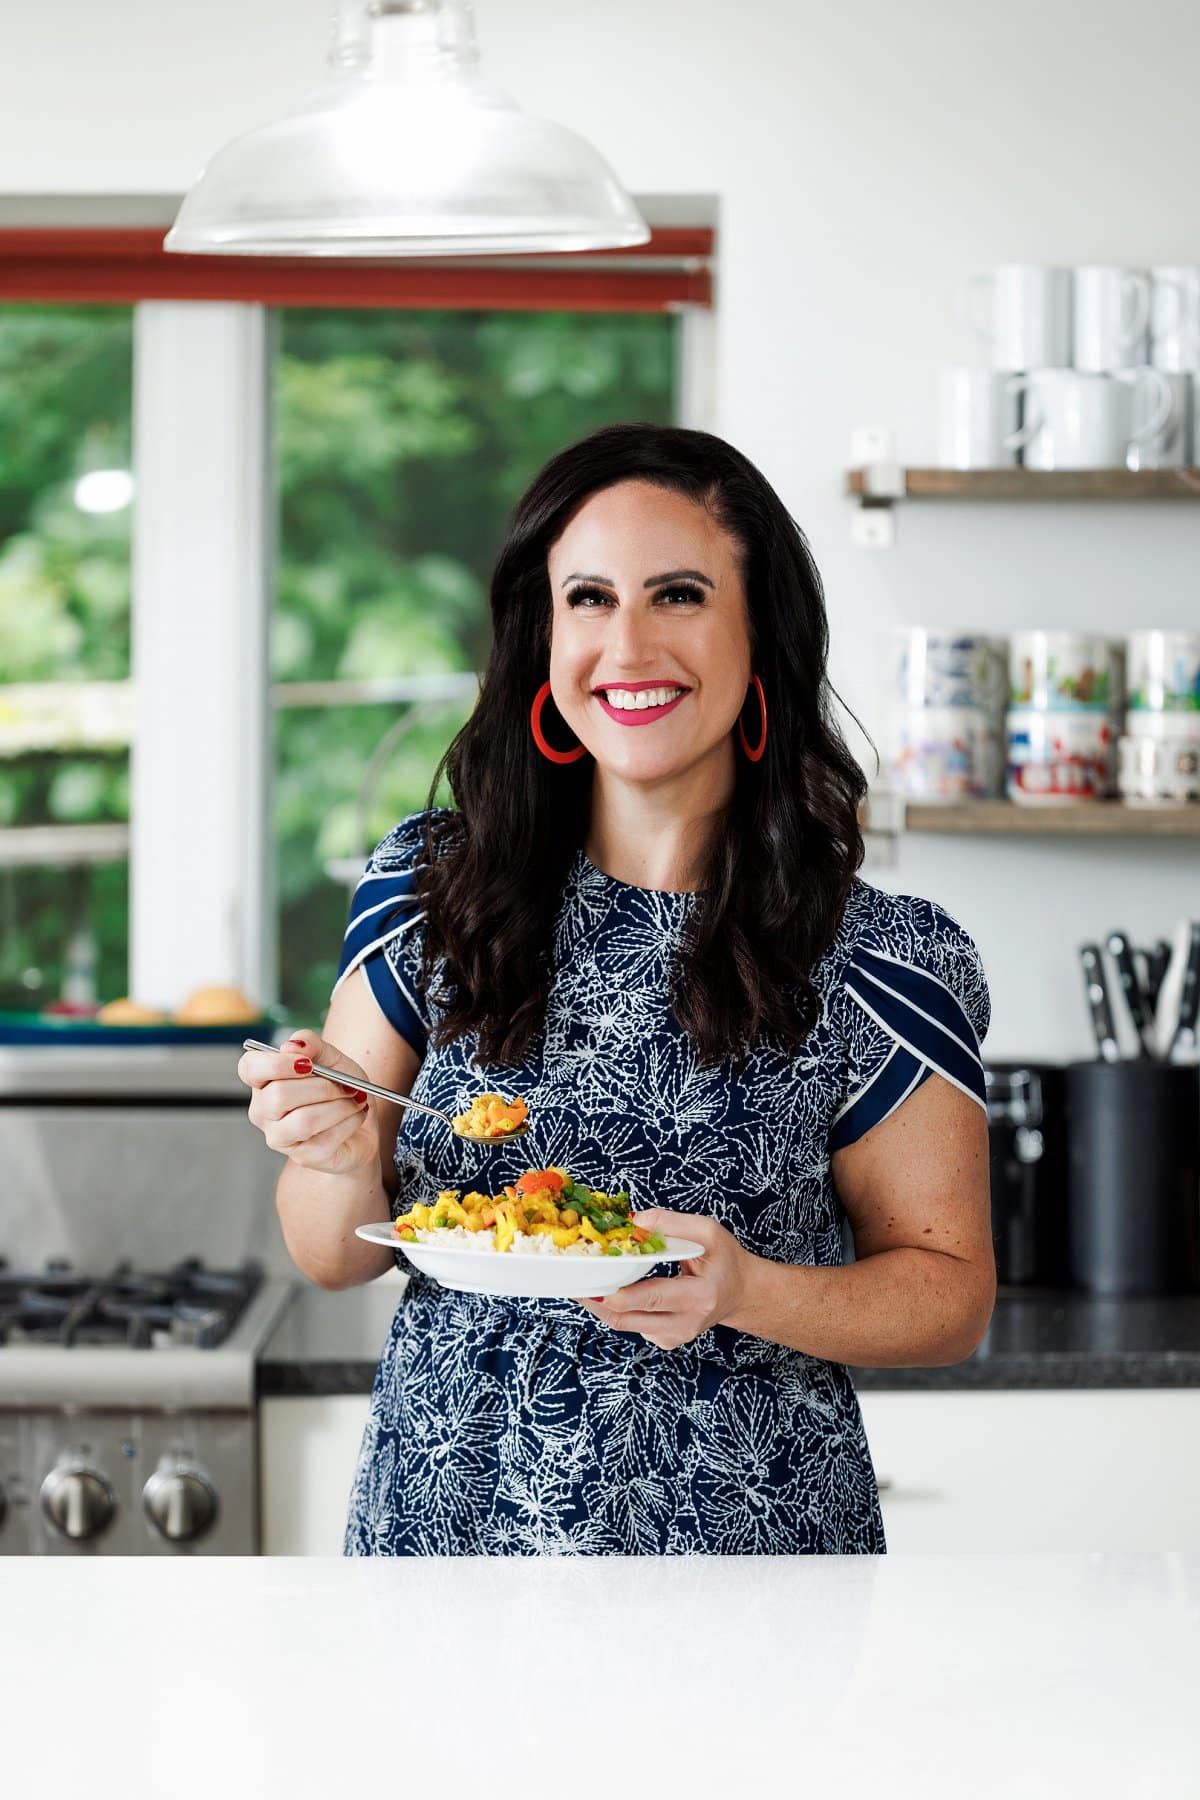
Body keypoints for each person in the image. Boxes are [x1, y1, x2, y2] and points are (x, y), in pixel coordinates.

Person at [238, 422, 994, 1555]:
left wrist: (746, 1289)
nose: (627, 645)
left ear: (760, 634)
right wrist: (338, 1154)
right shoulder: (431, 891)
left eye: (678, 594)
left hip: (752, 1572)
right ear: (545, 635)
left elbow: (950, 1298)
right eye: (588, 598)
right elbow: (333, 1251)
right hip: (449, 1550)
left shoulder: (881, 959)